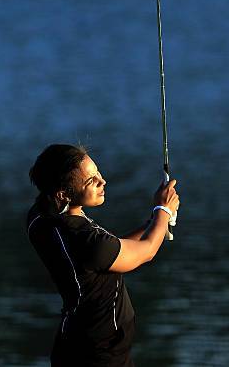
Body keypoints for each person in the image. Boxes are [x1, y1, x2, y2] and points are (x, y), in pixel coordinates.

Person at [26, 144, 180, 366]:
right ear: (63, 193)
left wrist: (156, 223)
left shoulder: (39, 218)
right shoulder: (84, 239)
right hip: (100, 353)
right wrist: (162, 211)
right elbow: (145, 251)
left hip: (74, 344)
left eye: (97, 172)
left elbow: (113, 248)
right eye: (91, 181)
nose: (103, 181)